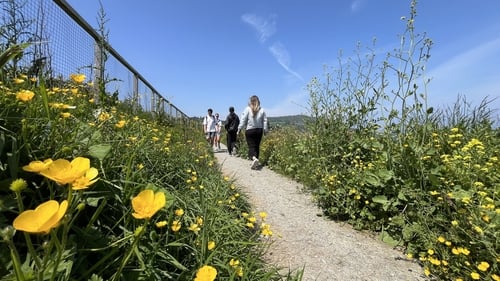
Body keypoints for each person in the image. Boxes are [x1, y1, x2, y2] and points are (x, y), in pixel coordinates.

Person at [237, 95, 268, 170]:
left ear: (250, 101)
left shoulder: (247, 109)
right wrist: (265, 130)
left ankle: (254, 158)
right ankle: (256, 162)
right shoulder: (262, 110)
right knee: (257, 146)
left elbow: (243, 120)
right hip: (259, 130)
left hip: (250, 130)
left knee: (251, 146)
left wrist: (239, 129)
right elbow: (265, 121)